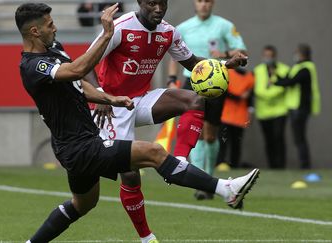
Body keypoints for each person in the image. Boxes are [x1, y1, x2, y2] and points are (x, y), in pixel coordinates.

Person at [15, 2, 259, 243]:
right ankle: (225, 190)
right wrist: (108, 34)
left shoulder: (53, 49)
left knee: (83, 204)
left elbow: (78, 86)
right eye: (50, 25)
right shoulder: (33, 66)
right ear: (34, 31)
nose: (55, 28)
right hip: (78, 147)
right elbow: (78, 71)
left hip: (89, 136)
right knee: (152, 153)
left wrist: (108, 98)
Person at [88, 0, 249, 241]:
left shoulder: (168, 32)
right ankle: (147, 238)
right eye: (152, 3)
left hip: (141, 100)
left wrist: (226, 65)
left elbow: (194, 64)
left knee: (195, 100)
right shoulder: (120, 27)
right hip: (111, 105)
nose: (158, 9)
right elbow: (85, 63)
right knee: (129, 174)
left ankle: (180, 161)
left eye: (162, 3)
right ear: (141, 3)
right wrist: (101, 95)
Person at [167, 0, 247, 200]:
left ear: (212, 4)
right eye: (200, 1)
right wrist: (171, 80)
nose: (204, 5)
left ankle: (209, 179)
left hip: (216, 84)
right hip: (190, 83)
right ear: (195, 3)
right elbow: (174, 57)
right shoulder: (183, 27)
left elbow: (241, 51)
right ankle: (201, 183)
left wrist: (224, 54)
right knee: (195, 131)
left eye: (208, 1)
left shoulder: (224, 26)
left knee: (210, 134)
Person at [273, 44, 320, 169]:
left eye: (296, 52)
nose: (295, 55)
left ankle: (305, 165)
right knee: (299, 138)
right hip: (295, 108)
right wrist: (277, 78)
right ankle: (304, 164)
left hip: (300, 108)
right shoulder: (299, 67)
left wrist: (276, 82)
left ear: (301, 54)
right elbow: (288, 79)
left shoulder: (305, 68)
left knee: (300, 138)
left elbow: (291, 82)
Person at [253, 45, 289, 169]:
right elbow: (258, 90)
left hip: (280, 111)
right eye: (266, 55)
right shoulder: (258, 70)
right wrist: (272, 93)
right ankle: (272, 166)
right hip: (263, 112)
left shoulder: (284, 69)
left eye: (270, 56)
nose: (268, 58)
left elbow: (284, 87)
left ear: (275, 56)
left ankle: (281, 166)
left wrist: (268, 93)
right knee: (269, 140)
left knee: (279, 137)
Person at [218, 68, 254, 168]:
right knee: (222, 142)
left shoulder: (250, 77)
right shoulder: (227, 73)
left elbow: (250, 98)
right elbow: (223, 92)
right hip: (225, 115)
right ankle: (219, 163)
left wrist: (250, 112)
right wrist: (239, 97)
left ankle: (235, 165)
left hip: (240, 118)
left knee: (236, 144)